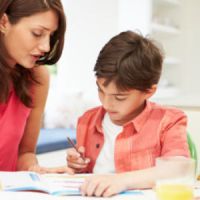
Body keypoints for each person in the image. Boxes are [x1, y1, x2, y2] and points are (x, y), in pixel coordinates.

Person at [66, 31, 190, 197]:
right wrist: (77, 164)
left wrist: (121, 181)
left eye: (119, 97)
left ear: (149, 91)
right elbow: (88, 174)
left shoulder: (169, 120)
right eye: (101, 91)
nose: (106, 103)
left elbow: (178, 169)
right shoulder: (87, 120)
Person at [0, 0, 72, 173]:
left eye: (51, 36)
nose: (46, 47)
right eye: (37, 33)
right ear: (3, 23)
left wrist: (35, 170)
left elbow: (24, 153)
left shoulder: (37, 77)